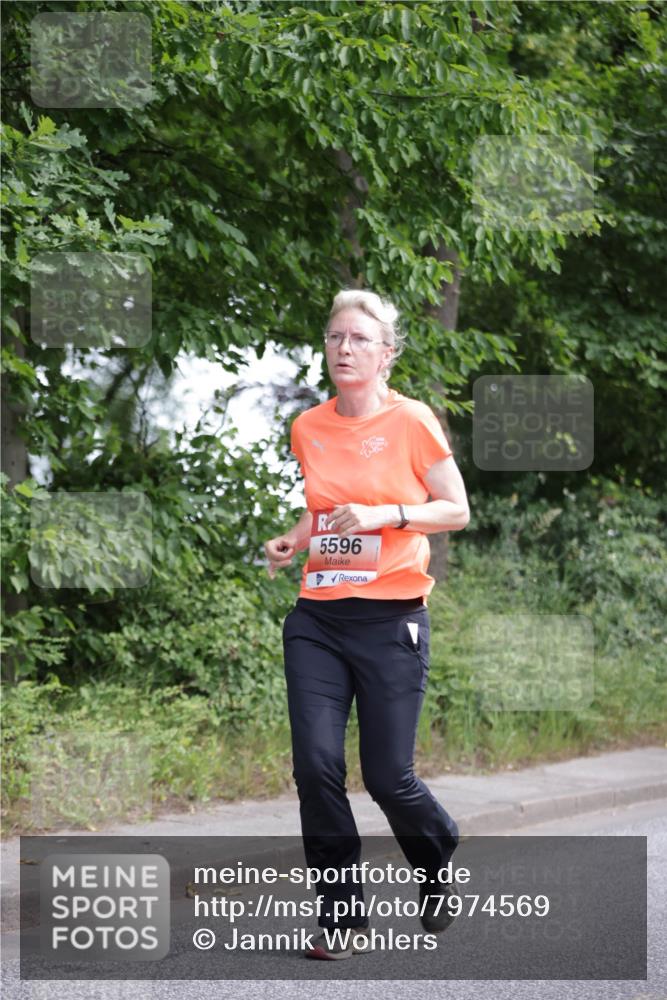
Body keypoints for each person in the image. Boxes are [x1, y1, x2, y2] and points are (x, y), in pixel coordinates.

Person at [264, 289, 470, 960]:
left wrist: (389, 515)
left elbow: (455, 509)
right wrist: (294, 539)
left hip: (391, 621)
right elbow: (324, 508)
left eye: (358, 338)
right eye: (335, 337)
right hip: (318, 619)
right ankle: (342, 917)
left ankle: (436, 850)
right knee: (316, 766)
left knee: (387, 777)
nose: (344, 348)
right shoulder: (308, 426)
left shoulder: (412, 421)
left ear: (387, 354)